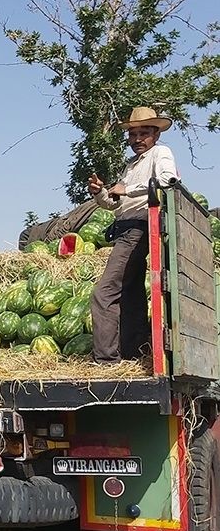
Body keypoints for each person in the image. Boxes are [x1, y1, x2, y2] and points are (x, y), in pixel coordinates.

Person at [88, 106, 179, 364]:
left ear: (156, 135)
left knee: (104, 293)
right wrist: (100, 193)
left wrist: (128, 189)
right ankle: (133, 352)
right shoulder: (131, 165)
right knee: (131, 295)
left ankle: (106, 360)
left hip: (140, 228)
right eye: (133, 134)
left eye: (144, 133)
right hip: (125, 228)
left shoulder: (160, 153)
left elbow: (167, 179)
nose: (137, 139)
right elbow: (115, 204)